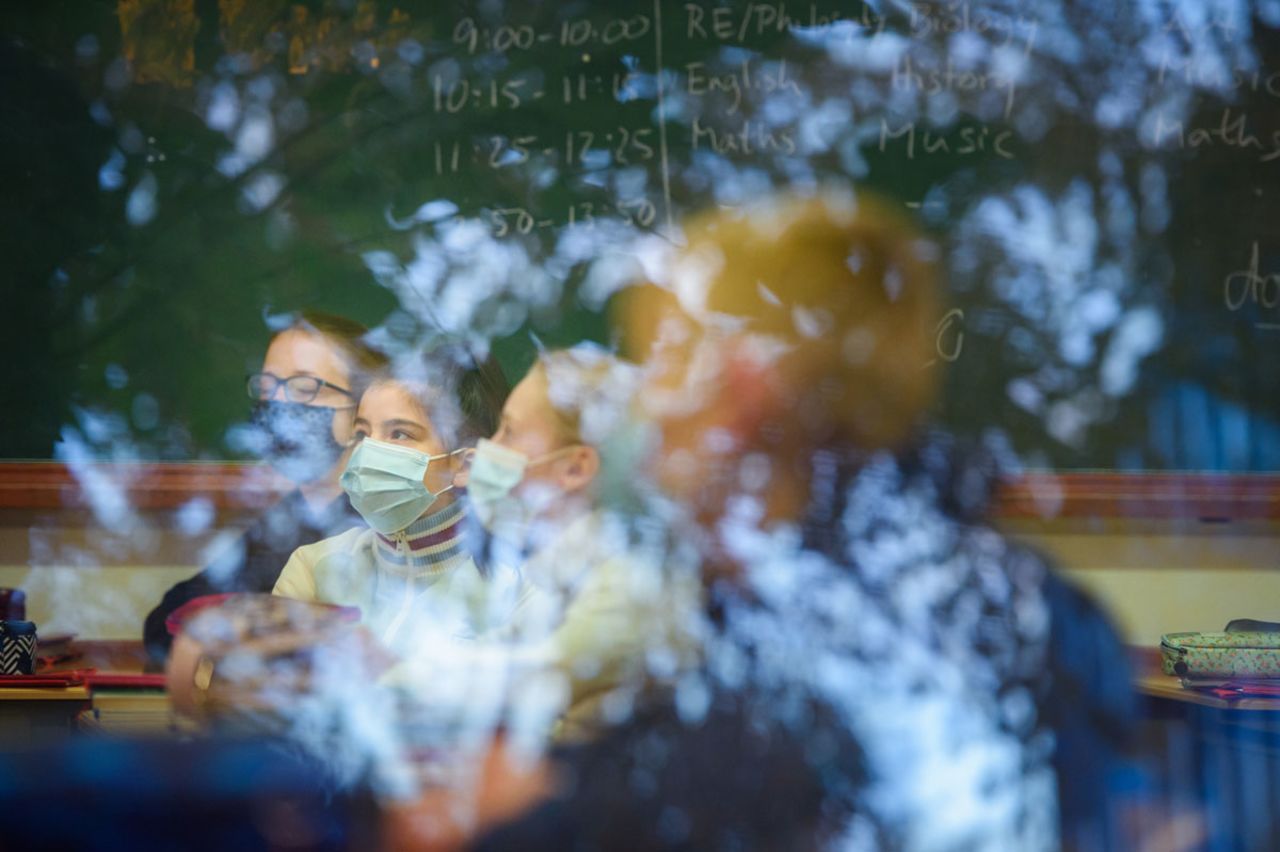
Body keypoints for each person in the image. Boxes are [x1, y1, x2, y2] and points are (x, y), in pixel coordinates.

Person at [465, 192, 1137, 850]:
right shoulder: (1039, 611)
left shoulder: (793, 671)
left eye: (664, 364)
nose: (645, 408)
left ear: (740, 389)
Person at [385, 346, 701, 747]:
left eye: (510, 432)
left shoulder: (632, 581)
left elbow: (531, 676)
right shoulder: (554, 563)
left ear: (575, 468)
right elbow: (491, 645)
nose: (490, 447)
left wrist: (381, 678)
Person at [142, 311, 385, 662]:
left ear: (361, 416)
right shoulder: (284, 519)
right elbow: (168, 621)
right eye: (268, 388)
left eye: (304, 389)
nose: (279, 406)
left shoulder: (383, 522)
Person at [272, 352, 505, 656]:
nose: (370, 450)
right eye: (362, 433)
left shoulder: (507, 585)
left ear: (464, 466)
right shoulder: (314, 569)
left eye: (399, 434)